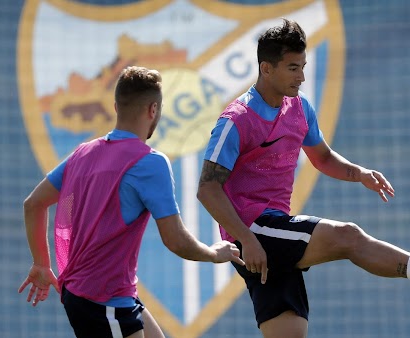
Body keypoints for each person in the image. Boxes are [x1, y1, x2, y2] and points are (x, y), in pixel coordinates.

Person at [197, 19, 410, 338]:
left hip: (273, 231)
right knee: (348, 237)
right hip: (254, 230)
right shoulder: (237, 119)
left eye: (303, 66)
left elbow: (323, 157)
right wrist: (245, 239)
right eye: (292, 68)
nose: (301, 76)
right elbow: (207, 189)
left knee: (290, 334)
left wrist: (360, 174)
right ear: (266, 69)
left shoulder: (299, 109)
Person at [18, 66, 244, 338]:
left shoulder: (82, 153)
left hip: (93, 294)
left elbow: (33, 204)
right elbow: (175, 240)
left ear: (116, 106)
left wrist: (42, 264)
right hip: (103, 300)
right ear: (153, 110)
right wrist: (213, 253)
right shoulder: (150, 162)